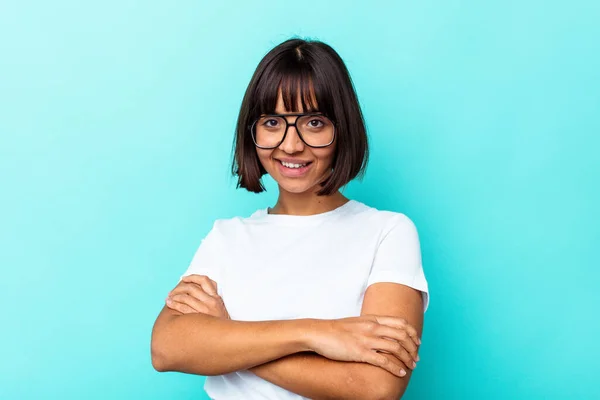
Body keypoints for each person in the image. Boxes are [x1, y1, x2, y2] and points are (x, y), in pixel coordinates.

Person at [151, 38, 429, 400]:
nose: (291, 145)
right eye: (272, 122)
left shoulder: (387, 232)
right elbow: (167, 348)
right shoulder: (226, 238)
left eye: (314, 122)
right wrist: (314, 333)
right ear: (253, 133)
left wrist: (228, 336)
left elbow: (374, 388)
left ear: (341, 128)